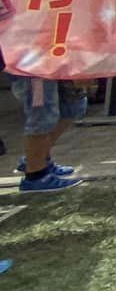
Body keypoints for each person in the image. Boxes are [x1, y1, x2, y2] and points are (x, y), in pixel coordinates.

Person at [8, 58, 86, 194]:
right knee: (42, 115)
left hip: (57, 57)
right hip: (32, 63)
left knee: (74, 105)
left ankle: (35, 159)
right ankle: (36, 175)